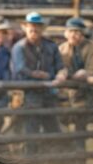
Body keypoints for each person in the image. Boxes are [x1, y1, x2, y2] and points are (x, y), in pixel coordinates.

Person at [11, 12, 67, 155]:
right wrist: (39, 75)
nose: (34, 30)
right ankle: (31, 160)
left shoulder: (50, 46)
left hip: (48, 93)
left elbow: (59, 65)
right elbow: (19, 69)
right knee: (31, 127)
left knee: (52, 126)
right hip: (29, 93)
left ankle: (54, 160)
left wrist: (60, 73)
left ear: (42, 29)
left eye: (37, 27)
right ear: (25, 28)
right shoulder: (19, 48)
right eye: (31, 27)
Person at [58, 17, 93, 164]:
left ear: (83, 34)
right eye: (71, 31)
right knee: (61, 128)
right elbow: (59, 68)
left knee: (80, 129)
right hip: (65, 95)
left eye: (77, 32)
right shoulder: (61, 49)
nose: (74, 35)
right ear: (66, 33)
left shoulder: (90, 47)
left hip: (85, 94)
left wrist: (87, 74)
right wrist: (66, 74)